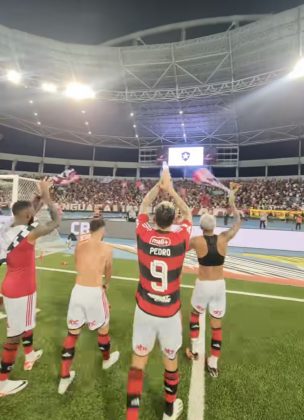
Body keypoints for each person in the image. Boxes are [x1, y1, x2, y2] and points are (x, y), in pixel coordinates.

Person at [126, 169, 192, 420]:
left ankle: (131, 416)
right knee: (170, 359)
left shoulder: (143, 233)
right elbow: (188, 213)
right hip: (169, 312)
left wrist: (159, 186)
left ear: (154, 218)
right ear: (173, 219)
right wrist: (172, 189)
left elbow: (143, 204)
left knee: (138, 363)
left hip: (144, 309)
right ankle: (168, 410)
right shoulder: (180, 238)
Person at [0, 180, 60, 397]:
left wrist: (38, 198)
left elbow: (29, 215)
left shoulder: (8, 229)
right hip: (22, 290)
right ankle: (2, 382)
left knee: (24, 324)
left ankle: (30, 354)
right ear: (27, 216)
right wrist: (48, 197)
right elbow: (55, 222)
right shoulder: (29, 234)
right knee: (13, 335)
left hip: (10, 286)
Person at [58, 218, 119, 395]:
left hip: (77, 291)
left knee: (72, 334)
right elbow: (108, 271)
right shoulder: (107, 248)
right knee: (103, 328)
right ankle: (106, 360)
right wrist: (106, 285)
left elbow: (77, 263)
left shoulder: (80, 245)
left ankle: (64, 377)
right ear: (102, 230)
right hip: (94, 292)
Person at [186, 201, 241, 378]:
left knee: (194, 315)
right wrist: (233, 205)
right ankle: (213, 364)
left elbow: (178, 249)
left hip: (203, 285)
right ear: (214, 226)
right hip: (219, 286)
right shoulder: (224, 238)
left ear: (201, 226)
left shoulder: (195, 241)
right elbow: (237, 223)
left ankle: (195, 351)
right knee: (216, 326)